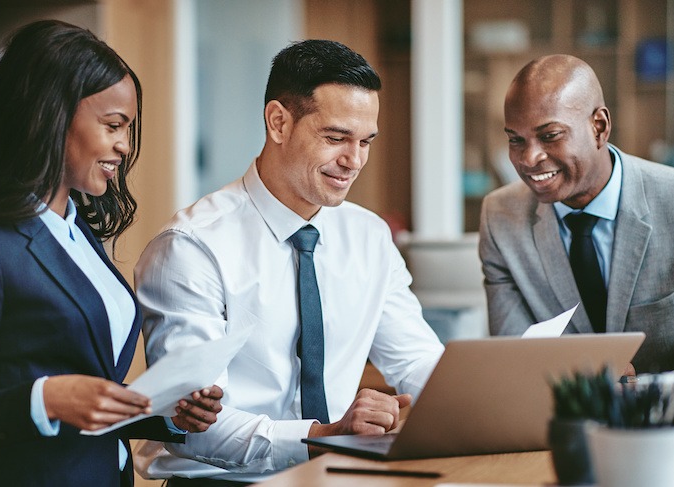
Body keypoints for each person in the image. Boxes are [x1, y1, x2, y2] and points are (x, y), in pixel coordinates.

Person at [0, 20, 223, 487]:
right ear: (51, 115)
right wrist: (47, 398)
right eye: (113, 125)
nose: (124, 145)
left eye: (128, 129)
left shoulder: (76, 231)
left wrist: (166, 414)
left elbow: (87, 404)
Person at [133, 39, 445, 485]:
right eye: (335, 138)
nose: (353, 161)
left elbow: (415, 361)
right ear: (279, 122)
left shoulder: (370, 237)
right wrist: (324, 435)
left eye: (365, 142)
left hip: (338, 476)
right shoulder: (191, 247)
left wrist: (468, 401)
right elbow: (195, 428)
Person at [480, 54, 674, 376]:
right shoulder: (500, 217)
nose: (529, 157)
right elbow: (514, 362)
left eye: (550, 136)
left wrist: (636, 394)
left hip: (672, 423)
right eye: (516, 140)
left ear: (599, 127)